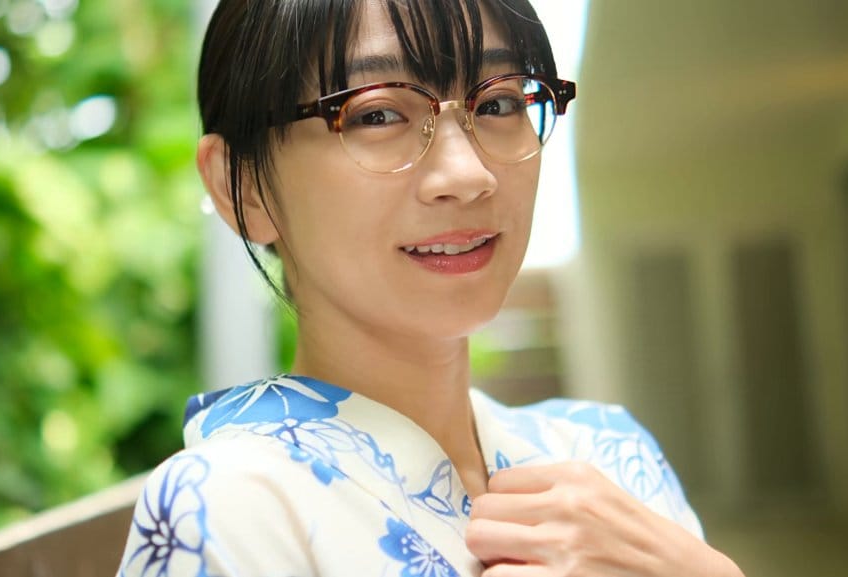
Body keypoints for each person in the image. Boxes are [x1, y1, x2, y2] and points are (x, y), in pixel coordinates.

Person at [117, 1, 746, 575]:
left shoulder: (606, 452)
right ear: (244, 186)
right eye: (377, 114)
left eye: (498, 104)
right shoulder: (228, 506)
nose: (467, 174)